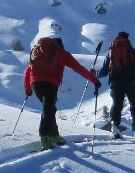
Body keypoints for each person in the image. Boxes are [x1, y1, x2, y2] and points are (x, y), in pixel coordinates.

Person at [23, 19, 100, 149]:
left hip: (35, 84)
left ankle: (54, 135)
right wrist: (95, 80)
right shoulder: (62, 53)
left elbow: (27, 72)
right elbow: (78, 68)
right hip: (50, 83)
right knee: (48, 109)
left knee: (50, 108)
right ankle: (45, 136)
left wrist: (28, 90)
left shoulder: (38, 52)